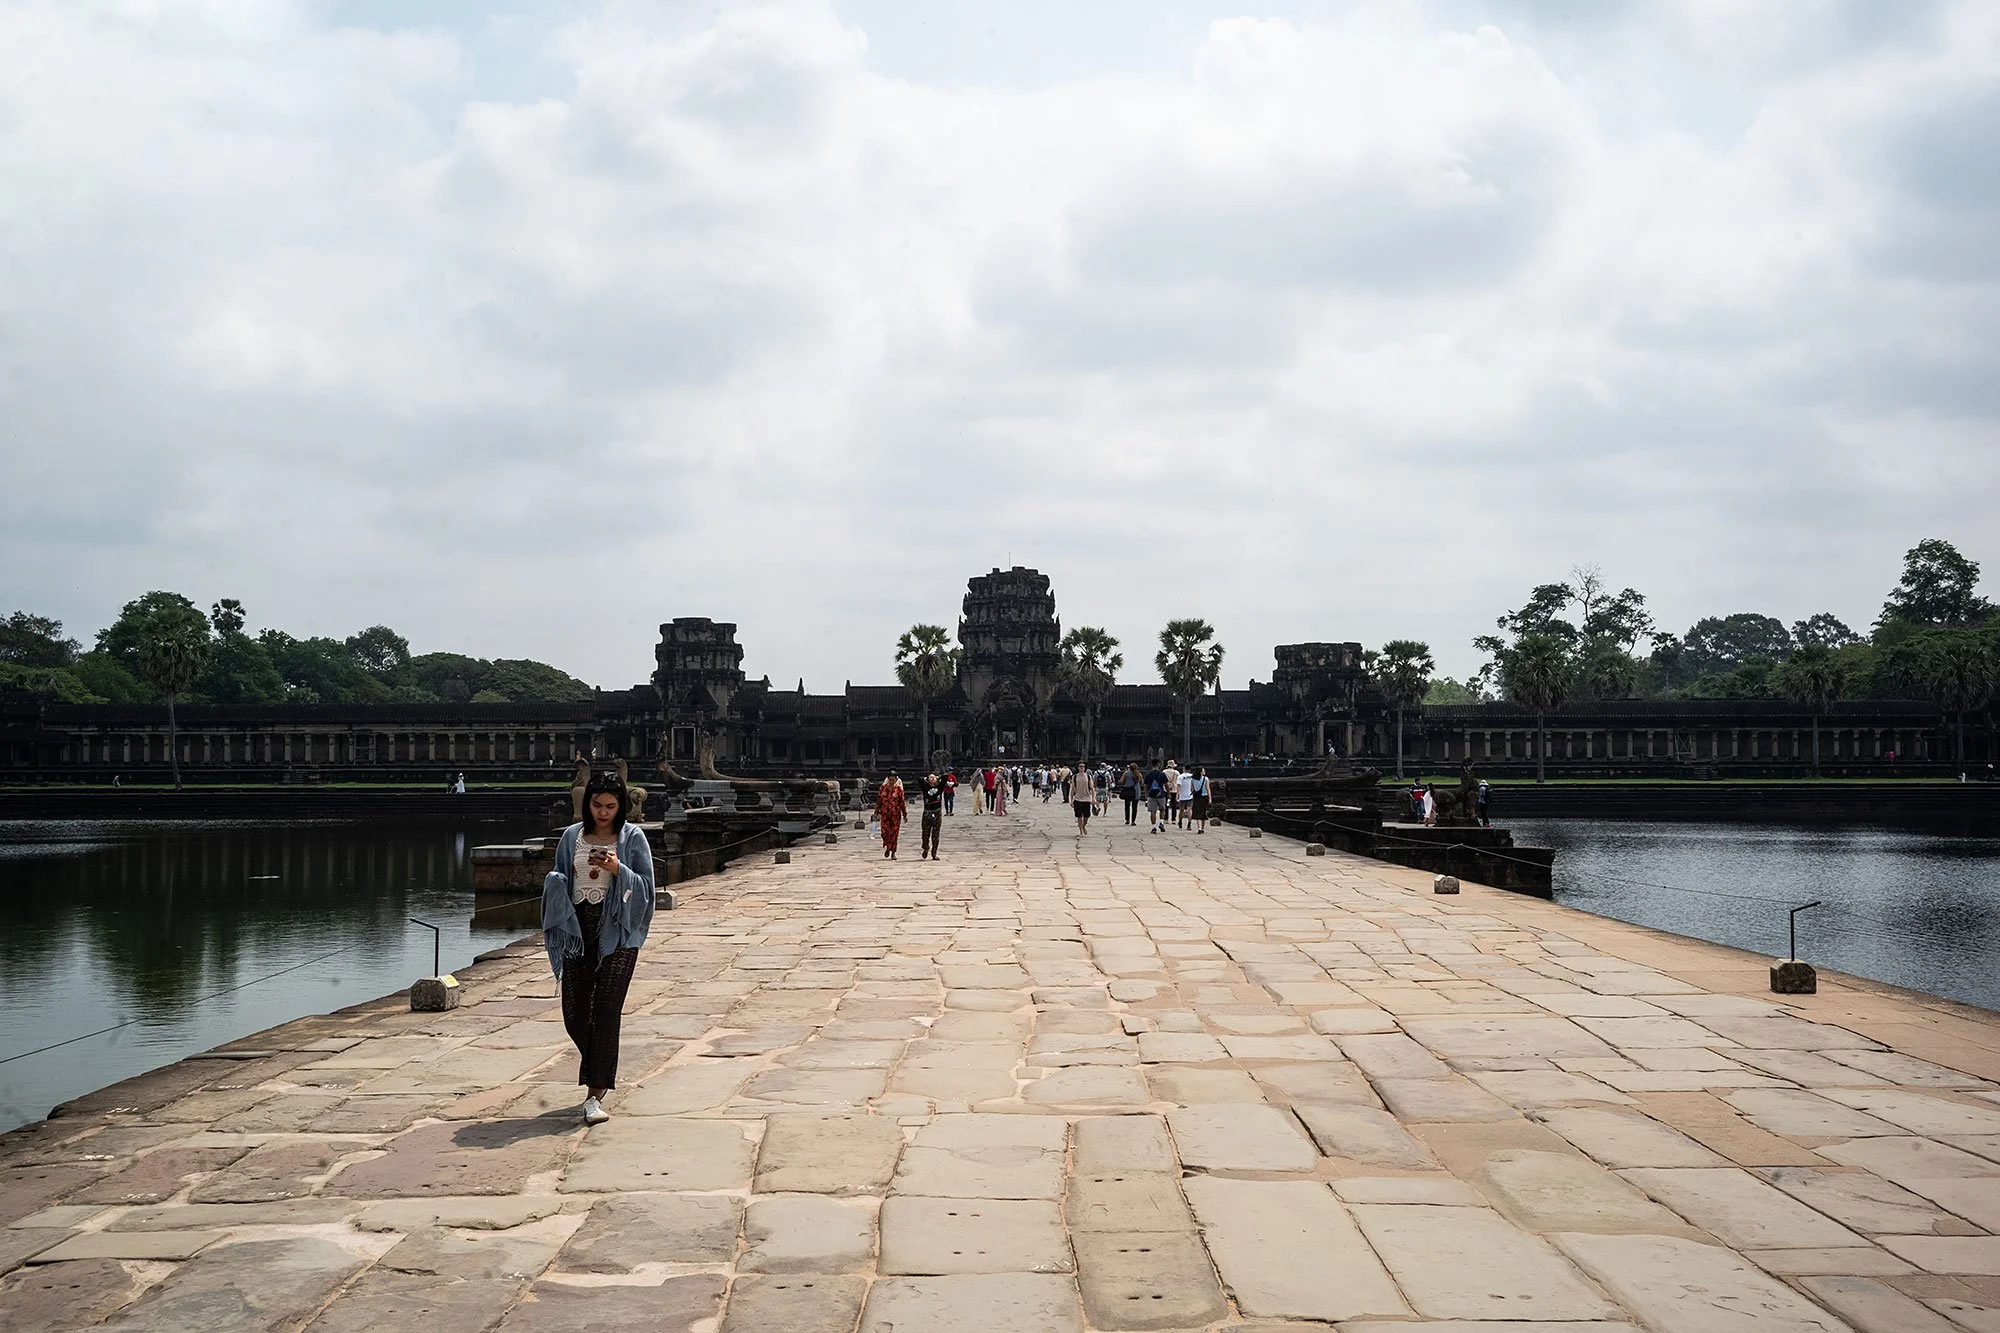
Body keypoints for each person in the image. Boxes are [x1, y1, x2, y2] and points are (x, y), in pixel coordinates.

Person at [541, 770, 656, 1126]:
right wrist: (556, 884)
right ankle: (599, 1066)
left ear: (620, 806)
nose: (603, 812)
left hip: (619, 930)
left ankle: (595, 1091)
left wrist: (619, 868)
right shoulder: (571, 837)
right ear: (586, 803)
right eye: (596, 804)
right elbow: (561, 877)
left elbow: (648, 888)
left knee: (606, 1008)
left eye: (610, 805)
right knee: (575, 1012)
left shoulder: (632, 837)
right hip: (577, 928)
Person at [876, 772, 907, 859]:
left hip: (895, 814)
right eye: (890, 780)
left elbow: (902, 802)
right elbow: (879, 801)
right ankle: (887, 846)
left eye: (893, 780)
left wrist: (905, 814)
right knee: (884, 832)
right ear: (887, 779)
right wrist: (876, 812)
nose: (891, 782)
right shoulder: (882, 788)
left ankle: (893, 852)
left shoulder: (898, 789)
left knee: (894, 834)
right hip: (885, 814)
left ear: (896, 780)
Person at [919, 770, 945, 860]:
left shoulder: (939, 787)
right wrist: (926, 779)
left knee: (936, 834)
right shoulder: (925, 788)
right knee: (925, 834)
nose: (933, 778)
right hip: (927, 813)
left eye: (934, 777)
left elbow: (945, 777)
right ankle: (925, 848)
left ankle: (934, 853)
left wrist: (938, 778)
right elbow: (919, 780)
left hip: (937, 813)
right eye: (931, 777)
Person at [1145, 764, 1170, 833]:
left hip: (1151, 795)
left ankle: (1153, 827)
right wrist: (1168, 793)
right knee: (1162, 809)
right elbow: (1166, 785)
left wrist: (1146, 794)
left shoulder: (1148, 774)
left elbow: (1145, 785)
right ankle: (1161, 823)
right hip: (1161, 794)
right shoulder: (1162, 774)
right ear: (1158, 766)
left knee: (1153, 811)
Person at [1071, 761, 1093, 835]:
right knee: (1079, 816)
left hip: (1086, 798)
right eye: (1080, 766)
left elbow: (1092, 788)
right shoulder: (1075, 777)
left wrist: (1093, 798)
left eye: (1083, 766)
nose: (1082, 768)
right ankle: (1080, 831)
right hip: (1078, 799)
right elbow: (1072, 789)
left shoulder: (1088, 777)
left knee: (1086, 816)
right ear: (1078, 768)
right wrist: (1071, 799)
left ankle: (1084, 826)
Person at [1189, 766, 1211, 833]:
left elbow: (1191, 789)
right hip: (1204, 797)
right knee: (1203, 812)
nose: (1204, 772)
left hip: (1196, 797)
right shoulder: (1206, 779)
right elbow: (1208, 789)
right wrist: (1210, 798)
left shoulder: (1193, 779)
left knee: (1197, 813)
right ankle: (1203, 828)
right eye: (1203, 771)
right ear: (1200, 772)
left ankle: (1199, 828)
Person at [1163, 760, 1182, 826]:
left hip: (1166, 789)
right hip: (1174, 789)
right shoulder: (1176, 772)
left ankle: (1166, 818)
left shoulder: (1164, 772)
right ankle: (1173, 819)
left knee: (1166, 804)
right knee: (1174, 804)